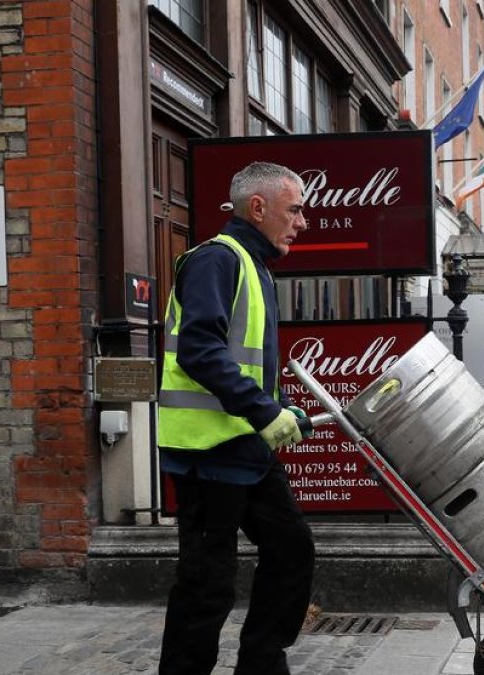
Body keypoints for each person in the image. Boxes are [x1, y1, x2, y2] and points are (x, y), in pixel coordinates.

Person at [157, 161, 313, 675]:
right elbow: (199, 351)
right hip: (207, 453)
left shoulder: (255, 266)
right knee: (208, 584)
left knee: (291, 550)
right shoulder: (217, 261)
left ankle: (262, 664)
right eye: (294, 210)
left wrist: (278, 406)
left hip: (245, 447)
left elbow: (247, 361)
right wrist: (265, 410)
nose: (302, 222)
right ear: (258, 207)